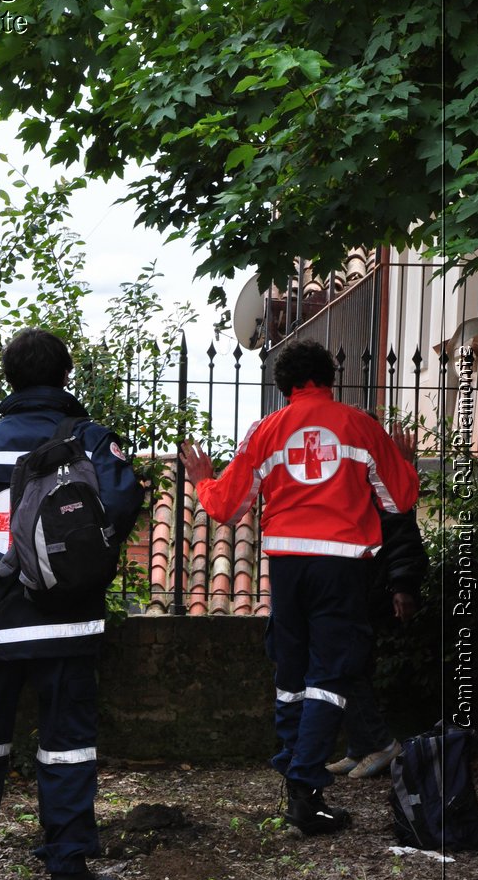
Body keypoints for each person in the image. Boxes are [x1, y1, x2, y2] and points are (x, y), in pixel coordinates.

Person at [0, 327, 144, 880]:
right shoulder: (90, 442)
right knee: (66, 746)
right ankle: (68, 871)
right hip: (68, 620)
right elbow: (124, 503)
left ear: (9, 378)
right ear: (65, 375)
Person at [180, 339, 419, 836]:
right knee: (330, 676)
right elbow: (398, 502)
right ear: (331, 378)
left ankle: (292, 771)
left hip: (286, 567)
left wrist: (203, 479)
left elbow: (225, 507)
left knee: (290, 673)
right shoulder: (361, 427)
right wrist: (401, 459)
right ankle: (304, 793)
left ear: (283, 385)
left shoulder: (265, 431)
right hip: (342, 567)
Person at [327, 501, 429, 778]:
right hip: (360, 581)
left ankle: (380, 744)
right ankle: (361, 746)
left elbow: (400, 532)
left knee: (347, 664)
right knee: (353, 662)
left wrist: (403, 585)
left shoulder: (378, 476)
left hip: (371, 583)